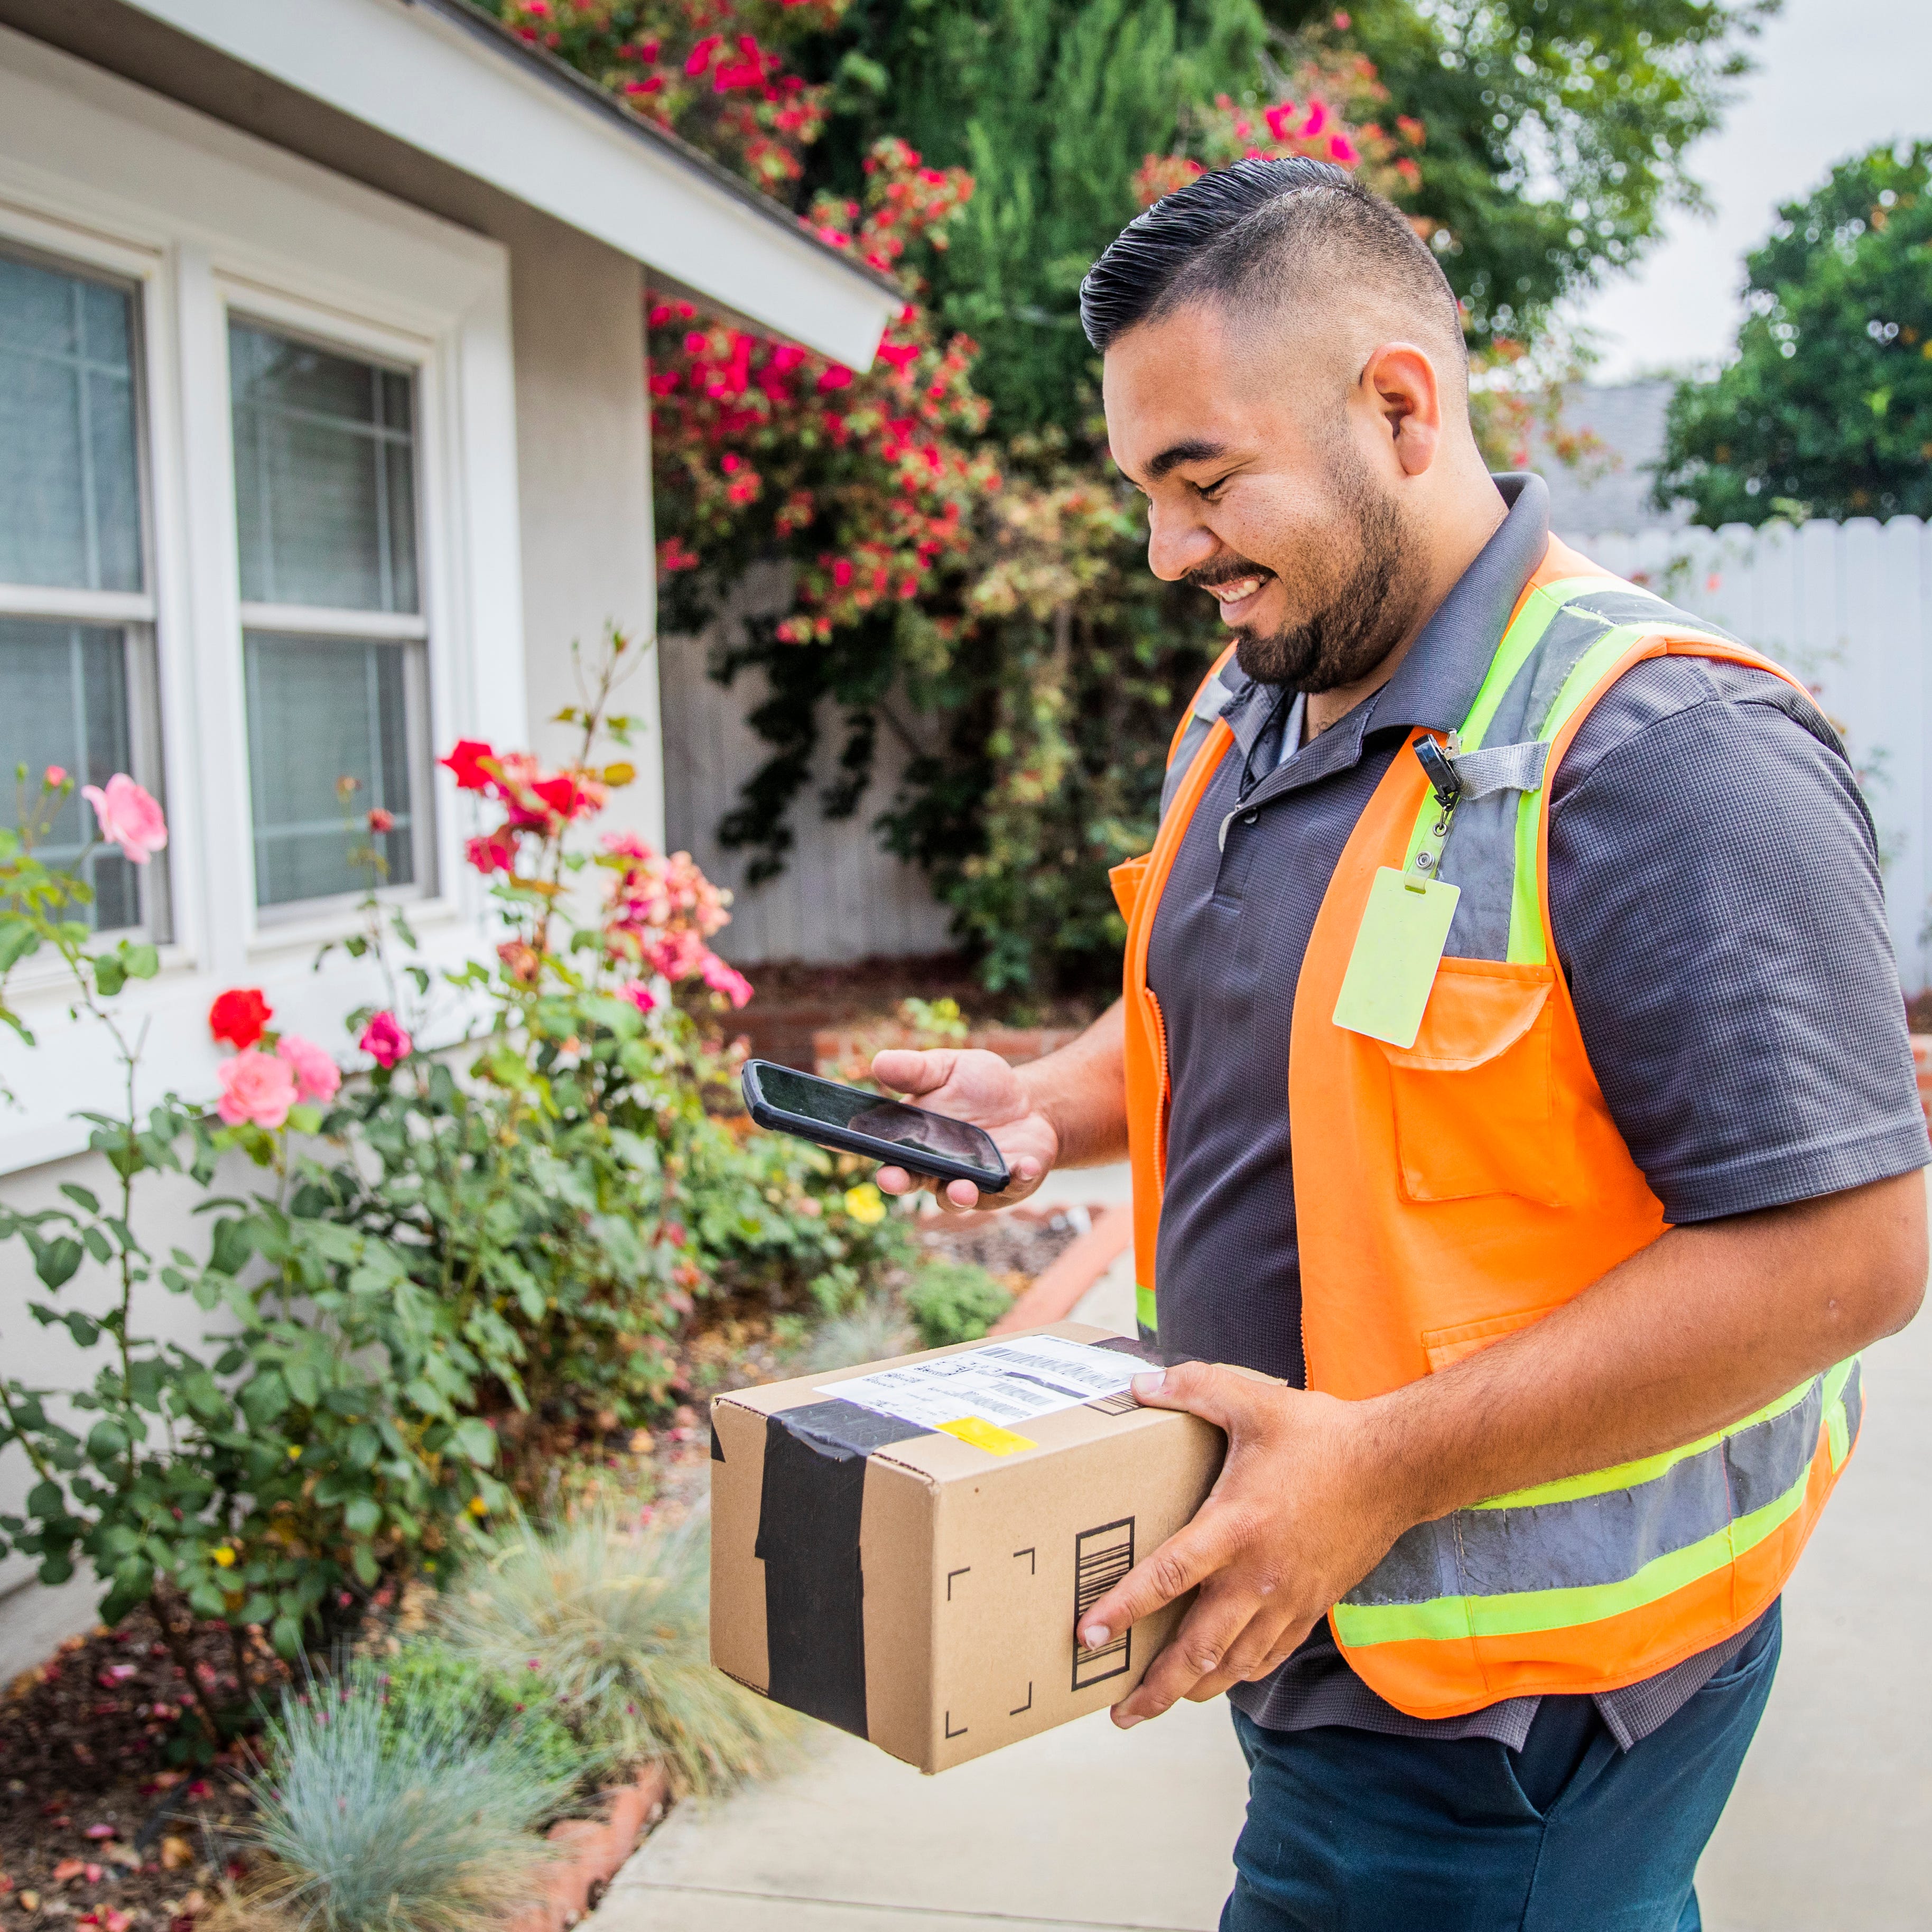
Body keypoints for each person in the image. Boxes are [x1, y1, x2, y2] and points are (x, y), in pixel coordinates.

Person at [871, 157, 1929, 1931]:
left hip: (1517, 1721)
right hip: (1332, 1637)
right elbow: (1277, 1011)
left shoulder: (1670, 755)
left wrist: (1375, 1471)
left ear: (1399, 407)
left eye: (1203, 483)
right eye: (1146, 491)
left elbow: (1850, 1256)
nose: (1167, 551)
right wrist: (1052, 1101)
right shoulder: (1266, 684)